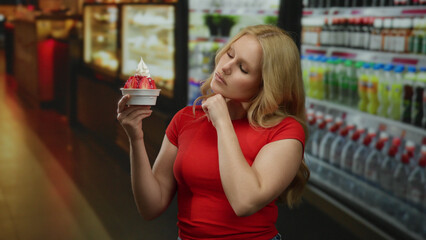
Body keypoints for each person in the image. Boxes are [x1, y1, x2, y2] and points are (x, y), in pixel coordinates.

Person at [117, 24, 309, 240]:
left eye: (243, 68)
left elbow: (244, 202)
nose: (226, 67)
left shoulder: (285, 131)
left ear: (265, 85)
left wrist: (223, 123)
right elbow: (151, 207)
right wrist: (136, 136)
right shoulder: (186, 118)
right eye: (229, 54)